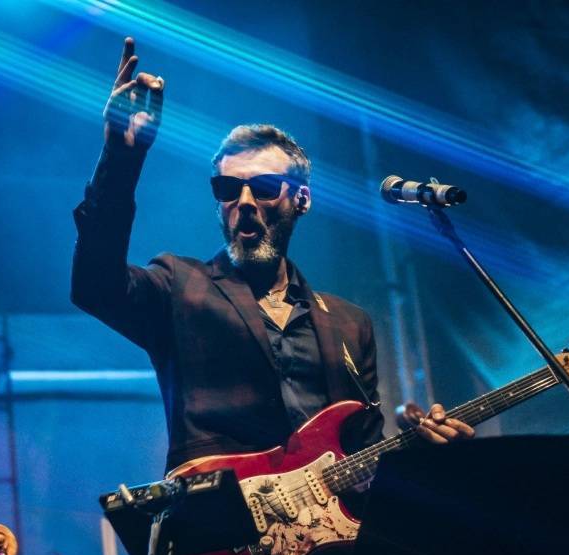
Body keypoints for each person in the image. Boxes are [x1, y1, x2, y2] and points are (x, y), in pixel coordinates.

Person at [71, 38, 474, 476]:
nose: (244, 202)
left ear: (301, 200)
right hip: (222, 514)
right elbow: (95, 285)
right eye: (228, 188)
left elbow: (364, 457)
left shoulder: (349, 323)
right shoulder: (179, 286)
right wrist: (121, 158)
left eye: (263, 188)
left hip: (328, 520)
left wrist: (420, 450)